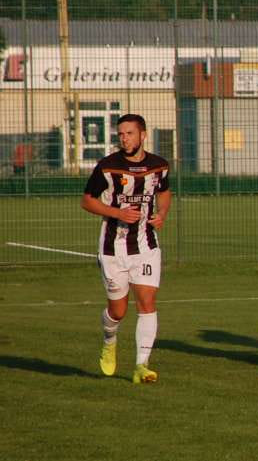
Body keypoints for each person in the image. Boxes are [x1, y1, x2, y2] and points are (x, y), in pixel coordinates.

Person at [81, 114, 171, 384]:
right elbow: (87, 201)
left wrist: (162, 213)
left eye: (129, 133)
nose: (124, 138)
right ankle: (109, 340)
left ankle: (141, 365)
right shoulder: (108, 167)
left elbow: (164, 191)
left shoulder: (159, 166)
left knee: (147, 303)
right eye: (121, 134)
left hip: (146, 246)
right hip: (113, 248)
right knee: (117, 311)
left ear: (143, 135)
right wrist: (115, 212)